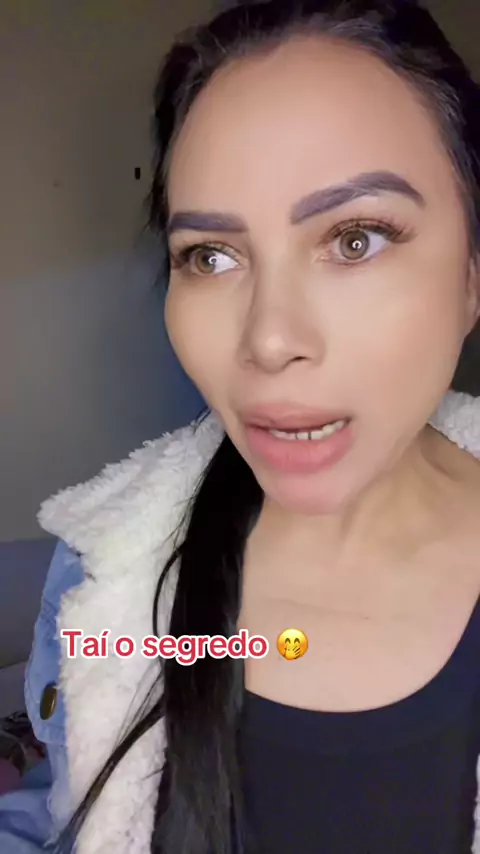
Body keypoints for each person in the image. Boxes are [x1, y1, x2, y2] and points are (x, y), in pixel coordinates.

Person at [1, 0, 480, 851]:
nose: (267, 340)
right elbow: (55, 820)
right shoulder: (99, 575)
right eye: (210, 257)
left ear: (472, 276)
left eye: (357, 239)